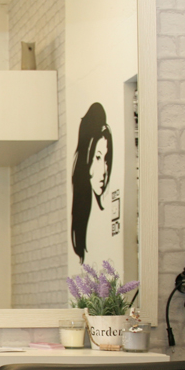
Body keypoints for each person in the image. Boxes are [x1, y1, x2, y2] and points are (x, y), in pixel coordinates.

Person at [70, 102, 113, 263]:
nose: (104, 170)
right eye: (98, 157)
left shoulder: (104, 217)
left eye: (106, 160)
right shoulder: (85, 223)